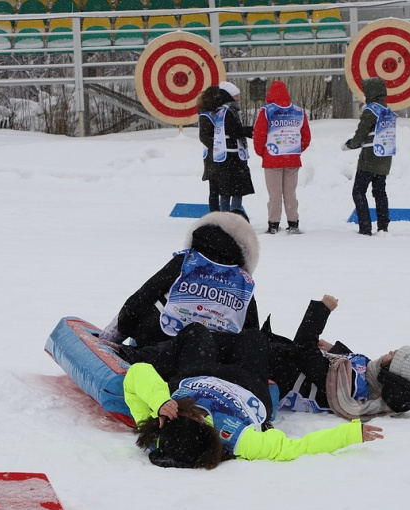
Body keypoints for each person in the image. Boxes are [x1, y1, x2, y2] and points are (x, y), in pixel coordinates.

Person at [124, 359, 383, 469]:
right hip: (249, 387)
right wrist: (350, 434)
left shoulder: (157, 426)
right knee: (252, 340)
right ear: (200, 422)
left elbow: (137, 373)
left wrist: (160, 401)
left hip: (199, 374)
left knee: (200, 335)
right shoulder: (240, 439)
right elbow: (296, 447)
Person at [264, 295, 410, 420]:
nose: (391, 351)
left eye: (395, 355)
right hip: (272, 355)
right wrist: (335, 349)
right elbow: (358, 365)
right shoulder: (372, 378)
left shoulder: (349, 386)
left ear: (393, 373)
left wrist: (322, 310)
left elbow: (302, 350)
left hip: (268, 366)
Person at [101, 211, 260, 348]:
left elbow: (144, 296)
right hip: (214, 353)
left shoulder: (187, 262)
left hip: (159, 344)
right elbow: (251, 330)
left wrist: (110, 340)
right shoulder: (242, 281)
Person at [252, 80, 311, 235]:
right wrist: (296, 150)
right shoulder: (298, 111)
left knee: (275, 194)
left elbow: (259, 135)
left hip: (272, 159)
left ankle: (273, 224)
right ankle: (293, 223)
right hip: (292, 158)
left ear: (270, 94)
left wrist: (262, 152)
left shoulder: (267, 111)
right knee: (290, 193)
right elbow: (306, 136)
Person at [342, 77, 396, 235]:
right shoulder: (388, 110)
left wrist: (350, 144)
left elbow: (361, 133)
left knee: (358, 191)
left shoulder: (371, 110)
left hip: (370, 158)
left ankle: (365, 227)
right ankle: (383, 226)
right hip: (384, 156)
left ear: (371, 92)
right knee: (380, 191)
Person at [198, 81, 254, 217]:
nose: (238, 98)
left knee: (223, 189)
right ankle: (222, 217)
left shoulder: (220, 111)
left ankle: (221, 217)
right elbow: (229, 132)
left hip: (221, 156)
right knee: (222, 189)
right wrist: (218, 145)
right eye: (236, 96)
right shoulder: (222, 112)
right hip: (222, 156)